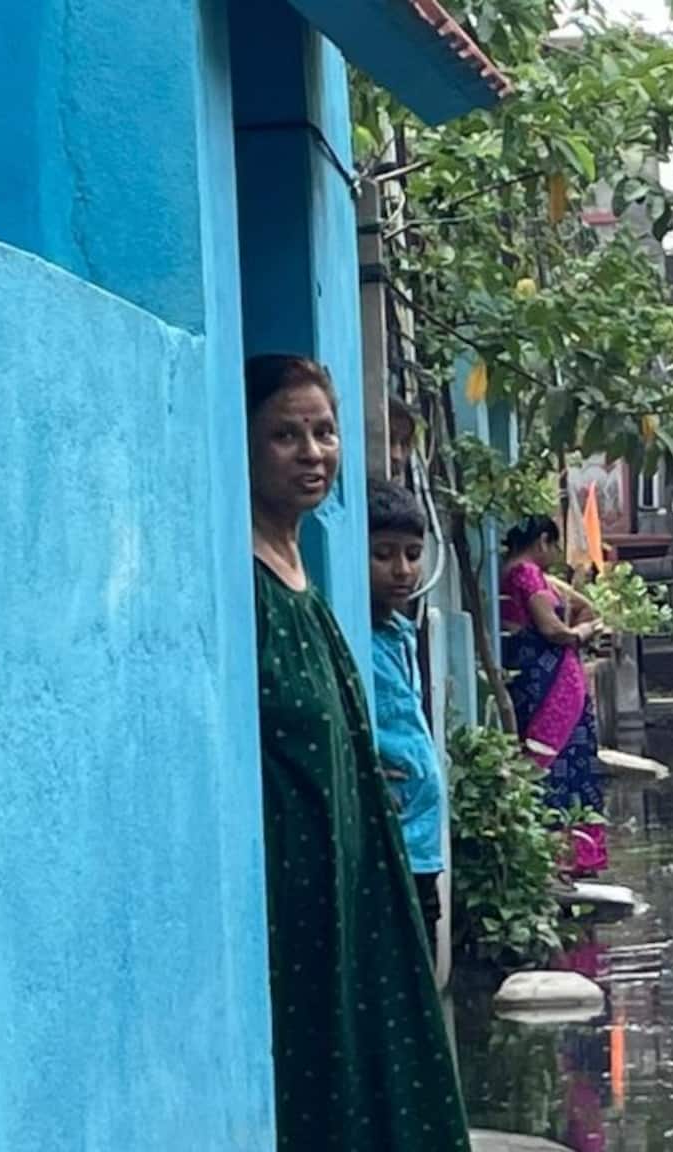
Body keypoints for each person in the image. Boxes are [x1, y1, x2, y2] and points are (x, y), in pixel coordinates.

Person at [245, 354, 471, 1151]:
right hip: (295, 891)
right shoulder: (243, 580)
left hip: (351, 873)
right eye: (284, 434)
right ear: (242, 443)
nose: (312, 451)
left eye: (325, 431)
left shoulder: (306, 567)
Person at [500, 514, 609, 875]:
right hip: (551, 682)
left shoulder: (508, 572)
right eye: (555, 545)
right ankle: (571, 855)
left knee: (546, 760)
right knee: (566, 761)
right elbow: (553, 630)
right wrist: (585, 632)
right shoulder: (526, 573)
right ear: (543, 540)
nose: (556, 553)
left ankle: (553, 852)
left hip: (532, 679)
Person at [369, 479, 448, 960]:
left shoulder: (399, 634)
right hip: (390, 842)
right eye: (383, 555)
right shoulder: (356, 637)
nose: (402, 569)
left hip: (422, 842)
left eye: (413, 554)